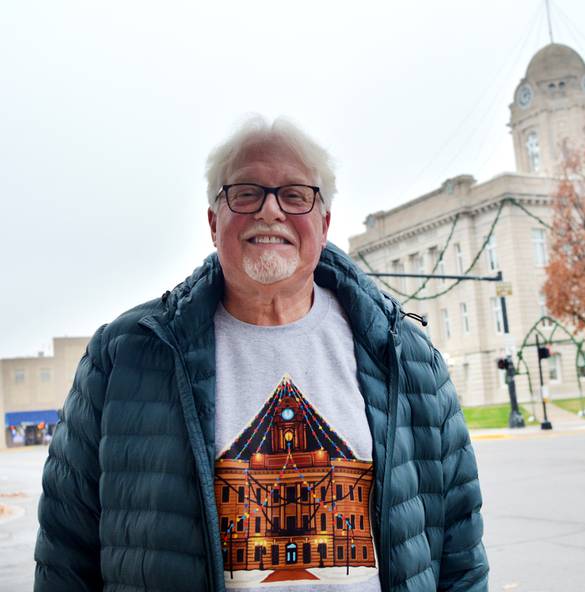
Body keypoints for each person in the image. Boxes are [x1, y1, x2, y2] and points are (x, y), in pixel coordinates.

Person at [34, 115, 488, 591]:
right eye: (246, 192)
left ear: (324, 222)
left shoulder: (405, 356)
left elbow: (460, 549)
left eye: (295, 195)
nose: (270, 211)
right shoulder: (125, 357)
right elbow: (65, 553)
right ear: (214, 221)